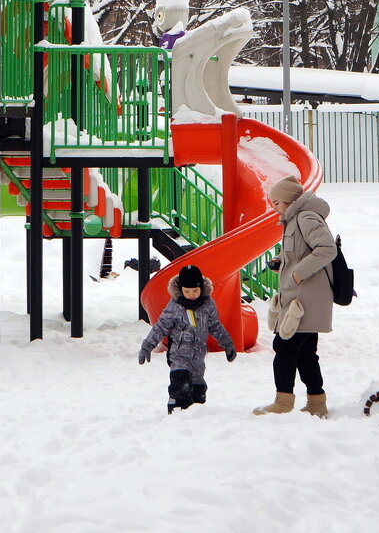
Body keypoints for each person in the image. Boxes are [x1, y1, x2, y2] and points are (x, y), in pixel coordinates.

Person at [254, 174, 337, 418]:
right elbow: (301, 251)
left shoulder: (306, 217)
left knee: (284, 346)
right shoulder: (294, 219)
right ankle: (316, 402)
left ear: (289, 201)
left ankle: (283, 402)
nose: (274, 207)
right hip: (300, 295)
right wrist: (282, 261)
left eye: (277, 203)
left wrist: (298, 273)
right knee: (305, 351)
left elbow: (326, 248)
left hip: (305, 296)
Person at [139, 264, 236, 413]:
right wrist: (147, 346)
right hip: (179, 355)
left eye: (195, 291)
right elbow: (160, 327)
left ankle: (196, 418)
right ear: (181, 289)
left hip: (198, 357)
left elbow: (215, 326)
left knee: (198, 391)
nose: (191, 294)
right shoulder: (175, 306)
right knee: (180, 385)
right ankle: (176, 411)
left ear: (201, 288)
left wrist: (227, 343)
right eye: (187, 291)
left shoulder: (208, 305)